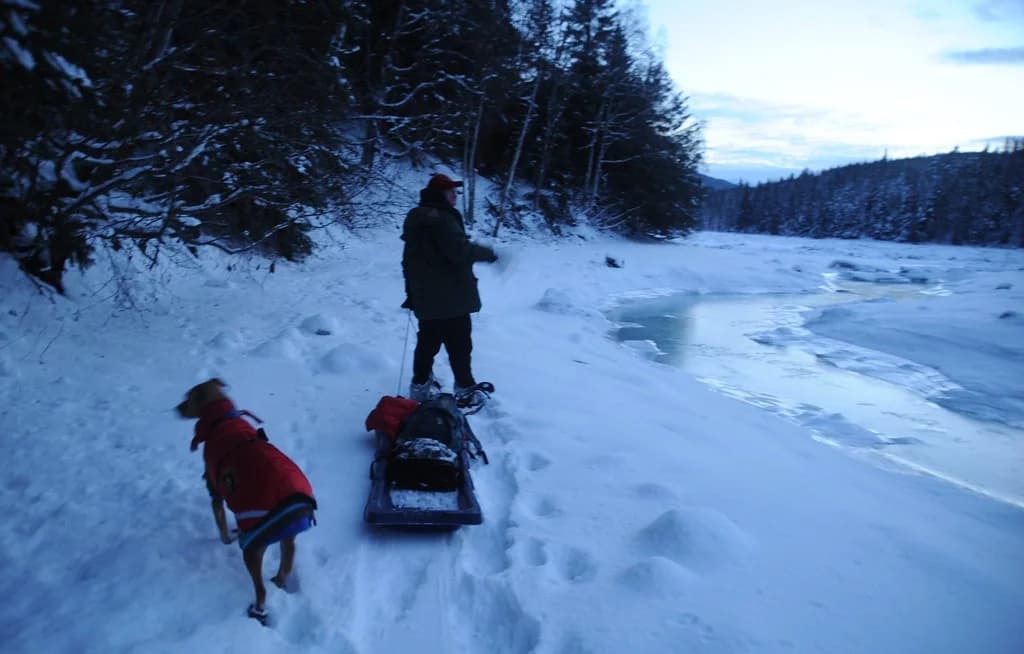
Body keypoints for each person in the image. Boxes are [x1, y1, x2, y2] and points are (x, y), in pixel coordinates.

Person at [401, 173, 497, 404]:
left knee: (427, 343)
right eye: (451, 192)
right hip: (450, 297)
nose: (455, 196)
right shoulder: (442, 218)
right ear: (440, 194)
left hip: (426, 295)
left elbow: (412, 259)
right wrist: (489, 253)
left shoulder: (418, 217)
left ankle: (420, 387)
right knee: (460, 345)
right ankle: (465, 389)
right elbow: (459, 251)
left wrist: (413, 292)